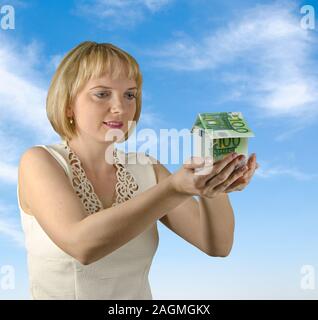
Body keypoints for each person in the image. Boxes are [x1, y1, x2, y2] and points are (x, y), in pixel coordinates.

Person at [17, 41, 259, 300]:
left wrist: (214, 184)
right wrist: (174, 188)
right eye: (102, 94)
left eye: (129, 95)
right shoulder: (40, 161)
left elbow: (217, 245)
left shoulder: (147, 168)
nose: (120, 107)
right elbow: (82, 245)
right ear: (68, 105)